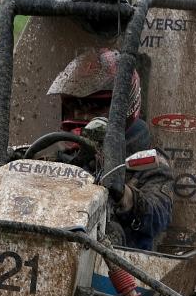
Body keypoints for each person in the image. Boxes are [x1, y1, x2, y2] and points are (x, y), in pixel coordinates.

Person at [47, 48, 173, 250]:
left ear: (124, 106)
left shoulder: (146, 159)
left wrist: (125, 195)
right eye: (78, 106)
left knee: (113, 230)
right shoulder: (64, 156)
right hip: (64, 250)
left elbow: (160, 214)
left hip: (125, 260)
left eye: (96, 108)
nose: (85, 116)